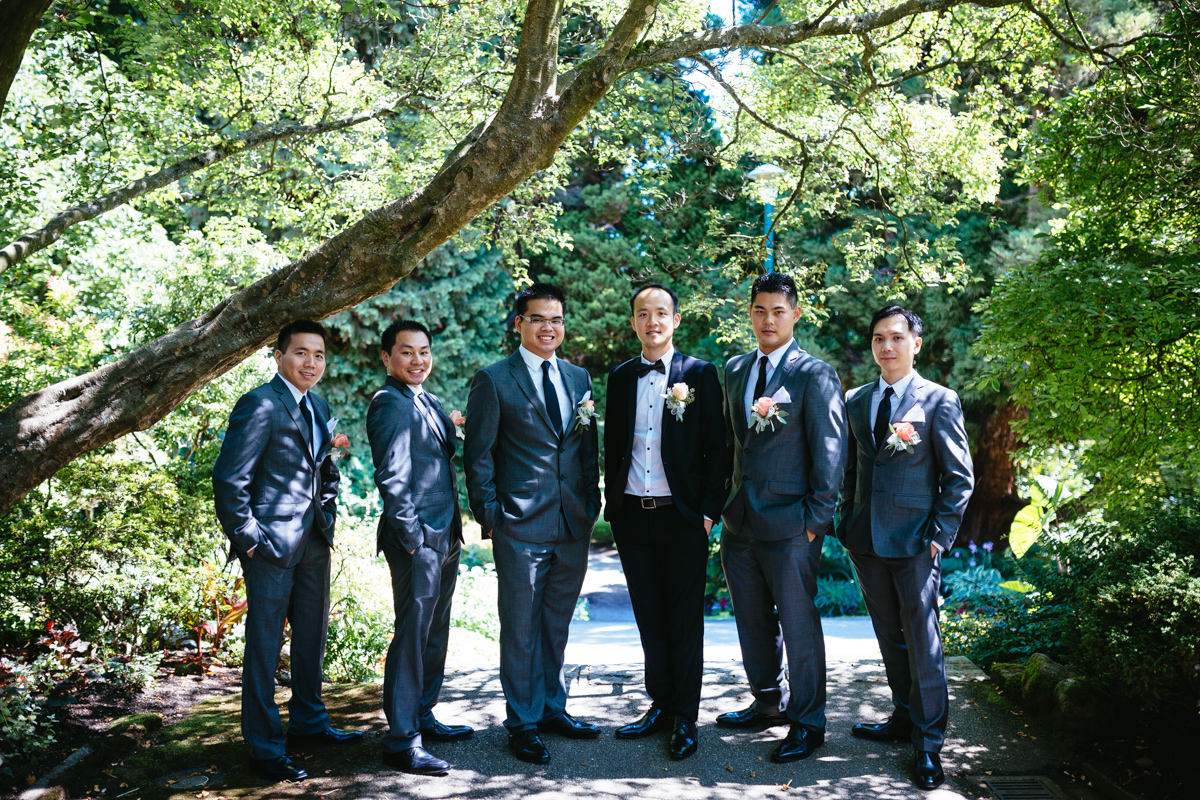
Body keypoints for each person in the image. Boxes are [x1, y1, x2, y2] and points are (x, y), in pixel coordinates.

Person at [212, 320, 364, 782]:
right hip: (270, 548)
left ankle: (310, 722)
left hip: (314, 541)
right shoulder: (260, 403)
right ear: (279, 356)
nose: (311, 363)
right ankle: (263, 747)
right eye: (301, 353)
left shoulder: (317, 406)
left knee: (312, 637)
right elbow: (229, 478)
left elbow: (326, 473)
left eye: (318, 355)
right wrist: (250, 539)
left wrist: (328, 516)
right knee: (263, 646)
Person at [836, 306, 974, 791]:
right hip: (866, 541)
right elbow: (851, 470)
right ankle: (902, 716)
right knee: (889, 639)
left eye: (896, 338)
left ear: (915, 343)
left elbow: (959, 479)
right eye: (878, 338)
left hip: (917, 543)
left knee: (923, 642)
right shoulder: (855, 400)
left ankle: (928, 743)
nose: (886, 347)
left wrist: (939, 536)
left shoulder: (939, 400)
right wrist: (843, 519)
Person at [463, 283, 602, 765]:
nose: (549, 328)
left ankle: (551, 709)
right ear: (518, 324)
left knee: (555, 625)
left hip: (572, 524)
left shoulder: (579, 379)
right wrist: (492, 516)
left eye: (557, 319)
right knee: (520, 627)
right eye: (539, 319)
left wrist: (591, 502)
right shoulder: (494, 380)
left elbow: (586, 449)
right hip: (519, 525)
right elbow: (478, 456)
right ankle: (521, 722)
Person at [717, 272, 846, 763]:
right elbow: (733, 444)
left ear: (795, 314)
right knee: (751, 621)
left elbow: (831, 450)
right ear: (750, 314)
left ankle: (809, 722)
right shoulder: (734, 368)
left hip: (793, 524)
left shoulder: (815, 374)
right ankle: (767, 702)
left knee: (797, 624)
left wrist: (815, 520)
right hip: (740, 523)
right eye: (759, 310)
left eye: (778, 311)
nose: (768, 319)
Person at [603, 284, 730, 760]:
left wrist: (707, 513)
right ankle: (659, 703)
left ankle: (684, 717)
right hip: (632, 516)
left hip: (683, 519)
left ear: (676, 320)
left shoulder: (699, 374)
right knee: (649, 618)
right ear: (633, 322)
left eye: (661, 313)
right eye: (642, 313)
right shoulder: (619, 377)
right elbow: (614, 447)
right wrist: (611, 506)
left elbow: (716, 449)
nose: (652, 321)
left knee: (683, 620)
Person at [367, 320, 474, 776]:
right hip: (416, 541)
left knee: (434, 632)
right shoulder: (388, 404)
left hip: (444, 534)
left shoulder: (426, 399)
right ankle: (401, 740)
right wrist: (413, 539)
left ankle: (423, 715)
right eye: (406, 352)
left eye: (424, 351)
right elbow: (391, 476)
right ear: (387, 358)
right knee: (412, 635)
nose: (417, 360)